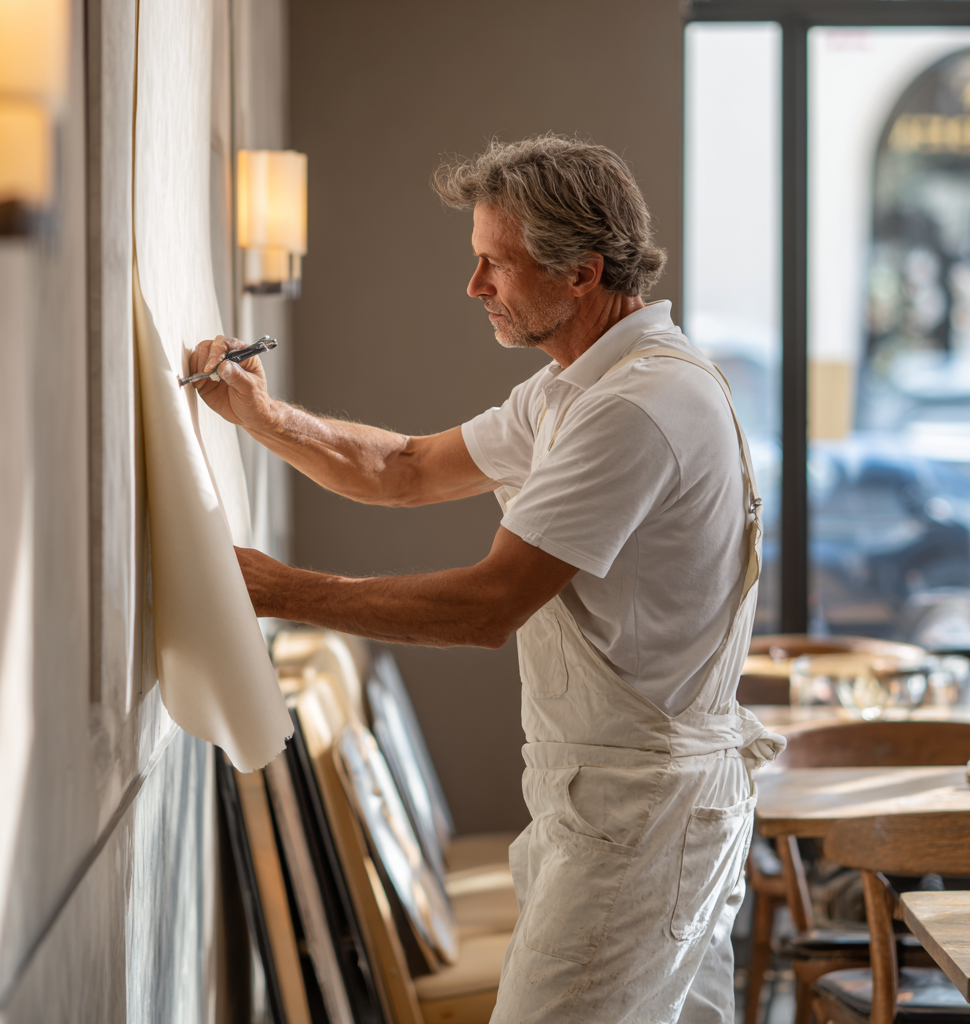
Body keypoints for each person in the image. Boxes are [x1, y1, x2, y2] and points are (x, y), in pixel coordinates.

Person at [189, 134, 784, 1023]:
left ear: (581, 273)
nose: (474, 288)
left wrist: (279, 592)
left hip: (641, 821)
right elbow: (402, 468)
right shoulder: (574, 390)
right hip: (631, 808)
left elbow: (488, 606)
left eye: (492, 265)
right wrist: (264, 417)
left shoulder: (634, 408)